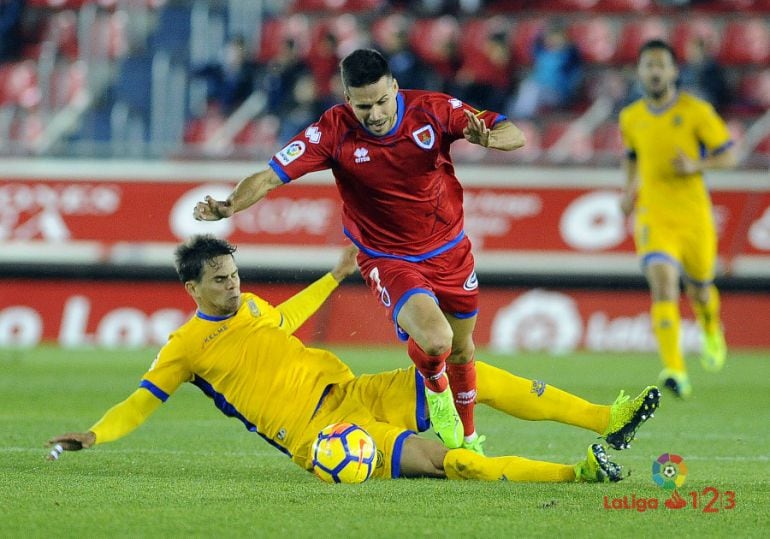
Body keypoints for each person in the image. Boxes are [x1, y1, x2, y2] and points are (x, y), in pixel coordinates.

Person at [47, 235, 660, 483]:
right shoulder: (183, 347)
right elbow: (141, 401)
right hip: (323, 433)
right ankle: (578, 475)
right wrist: (97, 435)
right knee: (448, 464)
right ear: (192, 290)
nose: (232, 287)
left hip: (353, 392)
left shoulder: (253, 306)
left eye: (234, 275)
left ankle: (607, 418)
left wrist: (334, 275)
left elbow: (284, 318)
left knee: (480, 375)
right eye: (218, 281)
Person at [193, 48, 527, 454]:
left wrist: (490, 139)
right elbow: (268, 177)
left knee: (461, 348)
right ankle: (438, 396)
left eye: (383, 101)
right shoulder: (333, 130)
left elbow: (514, 131)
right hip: (387, 257)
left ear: (395, 89)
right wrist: (230, 205)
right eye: (364, 105)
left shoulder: (433, 110)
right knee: (436, 341)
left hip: (450, 249)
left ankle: (469, 439)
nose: (376, 114)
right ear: (348, 99)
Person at [619, 39, 737, 398]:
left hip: (694, 217)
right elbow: (633, 156)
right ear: (639, 72)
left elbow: (728, 155)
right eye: (648, 65)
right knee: (663, 283)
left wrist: (696, 165)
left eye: (661, 65)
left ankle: (711, 328)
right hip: (654, 215)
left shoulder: (696, 111)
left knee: (700, 288)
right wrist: (628, 191)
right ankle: (675, 369)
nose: (654, 71)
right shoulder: (631, 117)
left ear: (673, 71)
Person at [508, 21, 583, 120]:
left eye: (558, 37)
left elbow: (576, 76)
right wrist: (541, 30)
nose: (554, 40)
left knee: (531, 89)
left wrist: (569, 92)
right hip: (540, 91)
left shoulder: (570, 55)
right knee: (523, 89)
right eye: (552, 37)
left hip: (558, 93)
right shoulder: (543, 52)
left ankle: (521, 119)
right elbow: (534, 44)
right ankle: (514, 118)